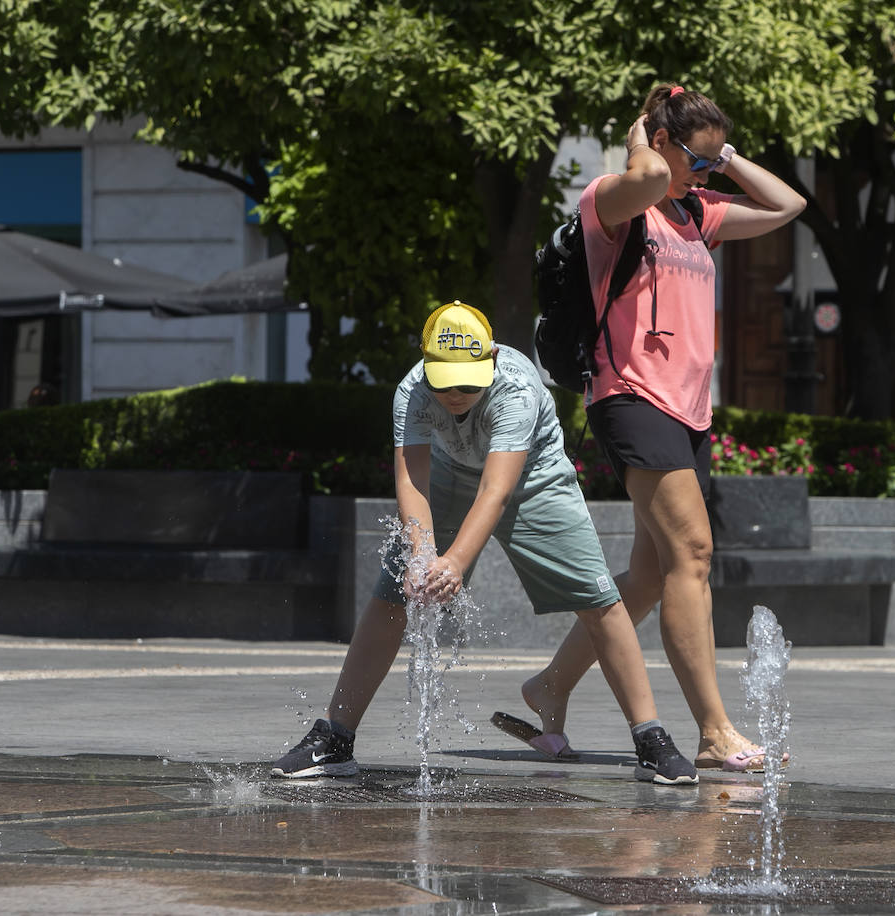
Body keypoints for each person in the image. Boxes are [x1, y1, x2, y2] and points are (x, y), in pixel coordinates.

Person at [501, 85, 806, 773]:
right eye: (696, 159)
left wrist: (719, 158)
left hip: (689, 409)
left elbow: (789, 206)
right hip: (632, 398)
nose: (707, 174)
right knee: (691, 556)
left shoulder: (698, 213)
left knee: (647, 574)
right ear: (659, 143)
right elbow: (641, 176)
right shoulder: (613, 200)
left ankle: (548, 686)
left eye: (713, 163)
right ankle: (713, 730)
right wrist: (641, 140)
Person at [272, 301, 698, 785]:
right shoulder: (412, 390)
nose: (454, 393)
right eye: (444, 380)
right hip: (450, 474)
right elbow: (412, 481)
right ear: (425, 364)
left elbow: (496, 492)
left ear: (491, 358)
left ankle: (650, 740)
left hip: (535, 476)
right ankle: (335, 739)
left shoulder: (514, 387)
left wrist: (453, 561)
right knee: (393, 594)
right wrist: (421, 554)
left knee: (598, 598)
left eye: (468, 381)